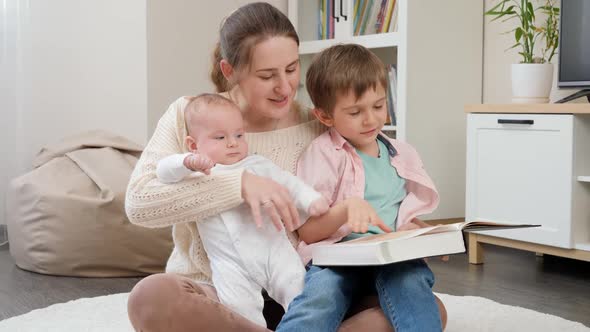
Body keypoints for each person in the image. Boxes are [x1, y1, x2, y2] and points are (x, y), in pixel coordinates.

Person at [125, 2, 446, 331]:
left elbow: (356, 196)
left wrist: (404, 225)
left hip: (300, 292)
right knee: (151, 297)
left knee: (426, 307)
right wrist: (238, 185)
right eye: (267, 76)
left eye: (292, 69)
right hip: (219, 294)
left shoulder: (321, 124)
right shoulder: (190, 116)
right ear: (229, 70)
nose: (284, 87)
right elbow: (139, 204)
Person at [276, 44, 444, 332]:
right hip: (337, 258)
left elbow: (401, 214)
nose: (371, 119)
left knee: (411, 282)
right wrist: (344, 212)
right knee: (322, 293)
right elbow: (308, 232)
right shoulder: (324, 154)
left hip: (391, 258)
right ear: (325, 117)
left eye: (378, 106)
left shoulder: (402, 155)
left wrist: (423, 233)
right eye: (355, 112)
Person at [155, 93, 329, 326]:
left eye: (239, 134)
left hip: (273, 249)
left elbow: (288, 183)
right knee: (239, 310)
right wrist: (185, 162)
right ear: (193, 145)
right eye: (220, 137)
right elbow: (163, 172)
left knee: (297, 287)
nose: (233, 143)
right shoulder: (197, 174)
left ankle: (300, 326)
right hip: (228, 262)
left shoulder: (256, 164)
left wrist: (311, 200)